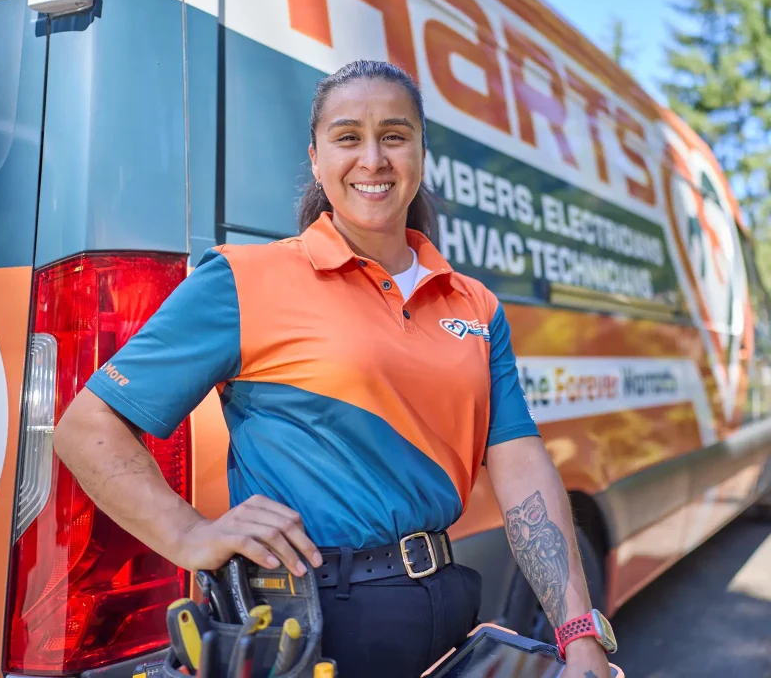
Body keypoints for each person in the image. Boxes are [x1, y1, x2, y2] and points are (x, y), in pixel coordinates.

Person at [54, 60, 614, 678]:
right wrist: (188, 535)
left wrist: (579, 632)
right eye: (348, 137)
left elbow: (520, 466)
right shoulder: (245, 279)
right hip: (311, 621)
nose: (372, 159)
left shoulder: (474, 304)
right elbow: (88, 426)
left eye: (394, 135)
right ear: (317, 159)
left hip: (446, 607)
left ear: (421, 154)